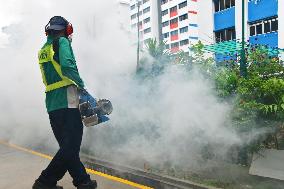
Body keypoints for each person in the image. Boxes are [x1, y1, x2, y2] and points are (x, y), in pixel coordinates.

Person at [33, 16, 97, 189]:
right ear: (66, 30)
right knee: (71, 146)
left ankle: (83, 181)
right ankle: (44, 182)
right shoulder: (62, 42)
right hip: (68, 100)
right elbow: (68, 67)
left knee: (67, 148)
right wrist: (81, 85)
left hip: (52, 104)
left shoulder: (43, 49)